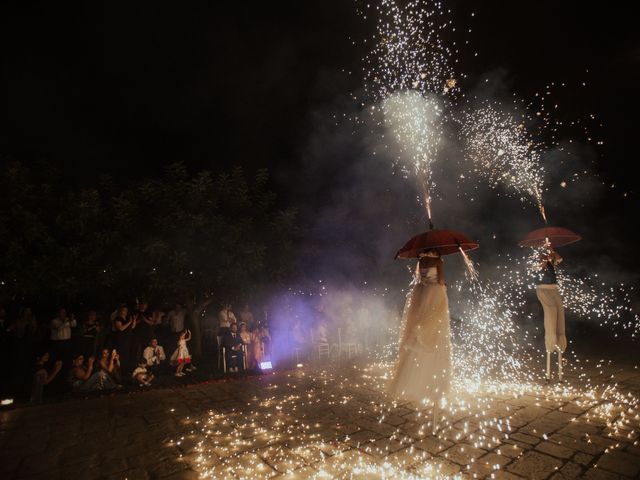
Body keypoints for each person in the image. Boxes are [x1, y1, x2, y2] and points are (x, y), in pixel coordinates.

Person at [387, 249, 452, 432]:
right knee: (436, 333)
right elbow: (440, 280)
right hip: (435, 295)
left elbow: (419, 278)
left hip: (421, 293)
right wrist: (444, 285)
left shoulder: (421, 261)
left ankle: (419, 379)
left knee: (419, 331)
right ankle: (434, 389)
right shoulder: (439, 262)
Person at [534, 246, 566, 380]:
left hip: (554, 289)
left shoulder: (551, 260)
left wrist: (553, 252)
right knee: (551, 312)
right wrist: (545, 258)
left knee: (560, 314)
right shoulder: (534, 260)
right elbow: (537, 267)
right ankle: (551, 341)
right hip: (543, 289)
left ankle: (560, 340)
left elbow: (560, 259)